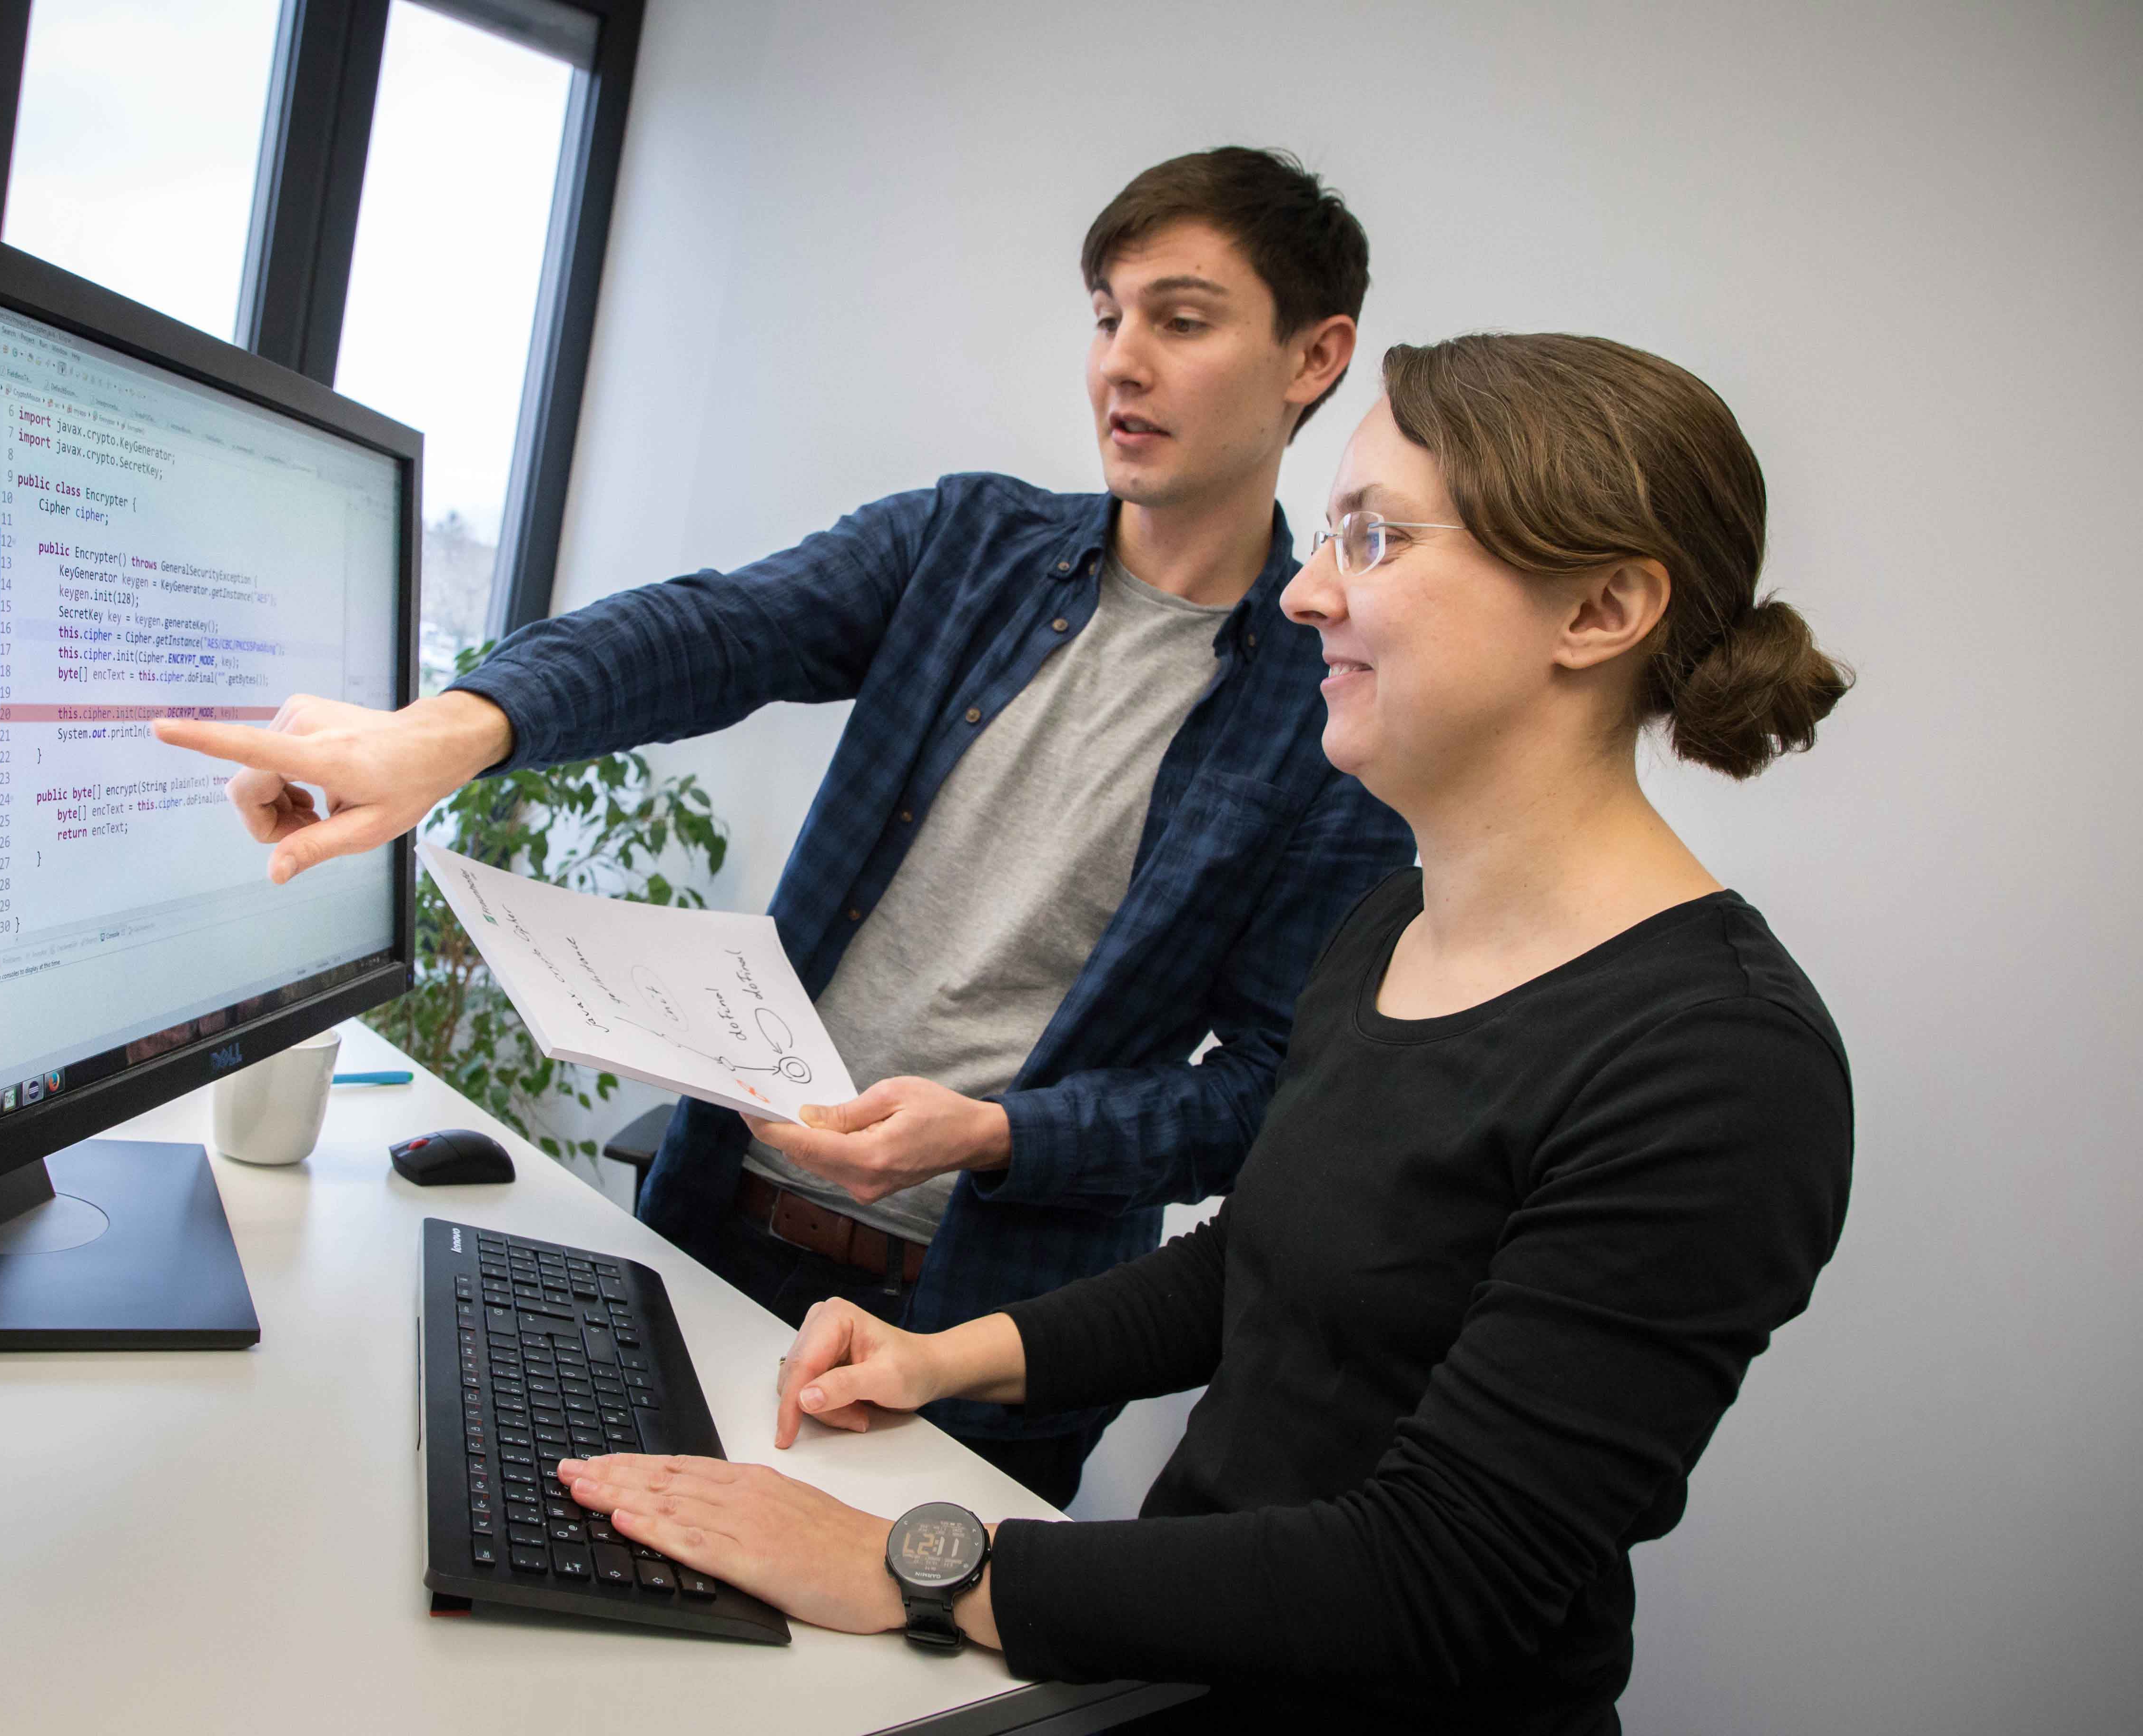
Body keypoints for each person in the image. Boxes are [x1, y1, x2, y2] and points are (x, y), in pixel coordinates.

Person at [543, 332, 1858, 1734]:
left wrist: (912, 1569)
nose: (1305, 590)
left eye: (1377, 539)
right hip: (1161, 1675)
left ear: (1600, 610)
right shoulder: (1391, 932)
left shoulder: (1721, 1067)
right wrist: (946, 1357)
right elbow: (1254, 1270)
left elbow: (1438, 1577)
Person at [152, 148, 1416, 1508]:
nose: (1121, 362)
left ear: (1312, 356)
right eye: (1106, 315)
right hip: (716, 1228)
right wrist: (453, 731)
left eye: (1181, 320)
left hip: (980, 1336)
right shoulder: (969, 544)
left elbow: (1263, 1093)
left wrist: (997, 1134)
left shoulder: (1330, 702)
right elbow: (717, 629)